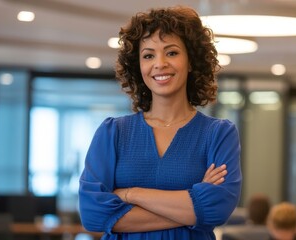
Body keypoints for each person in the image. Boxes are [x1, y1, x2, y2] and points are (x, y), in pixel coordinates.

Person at [78, 5, 242, 240]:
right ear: (139, 66)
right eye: (148, 55)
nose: (160, 63)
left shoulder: (218, 134)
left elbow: (216, 209)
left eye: (172, 52)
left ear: (191, 60)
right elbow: (94, 215)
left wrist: (130, 194)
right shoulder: (113, 132)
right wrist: (192, 207)